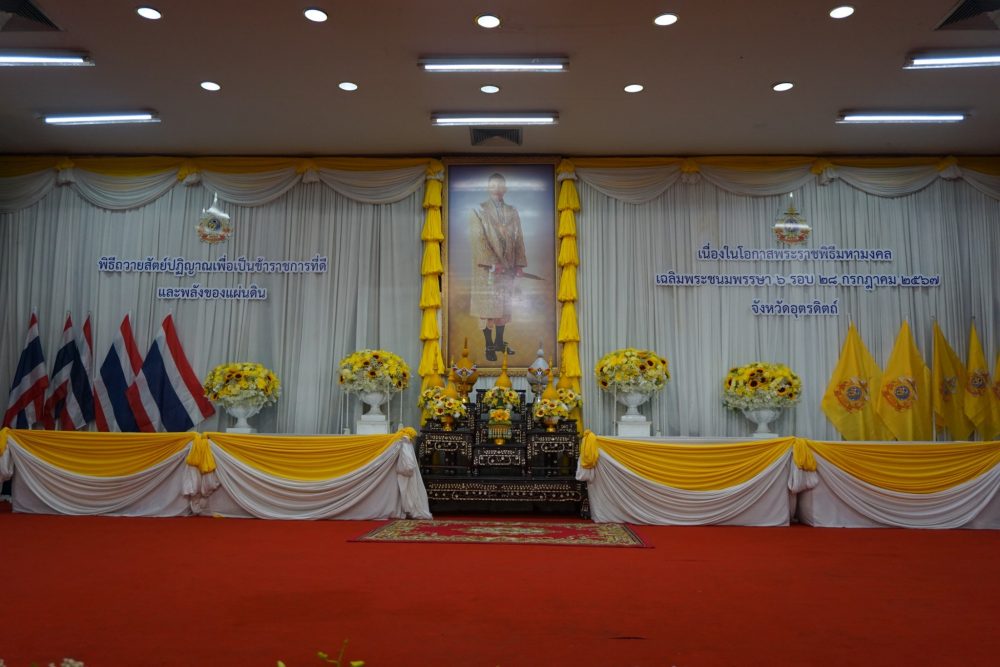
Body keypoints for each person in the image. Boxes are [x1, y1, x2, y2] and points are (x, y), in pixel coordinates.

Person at [469, 172, 527, 362]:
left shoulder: (512, 211)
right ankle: (489, 345)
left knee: (504, 307)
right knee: (488, 309)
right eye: (493, 184)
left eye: (500, 184)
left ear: (505, 188)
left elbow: (519, 238)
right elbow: (478, 240)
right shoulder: (478, 210)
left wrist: (519, 264)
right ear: (488, 187)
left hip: (508, 266)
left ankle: (500, 342)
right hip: (487, 270)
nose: (497, 188)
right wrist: (493, 263)